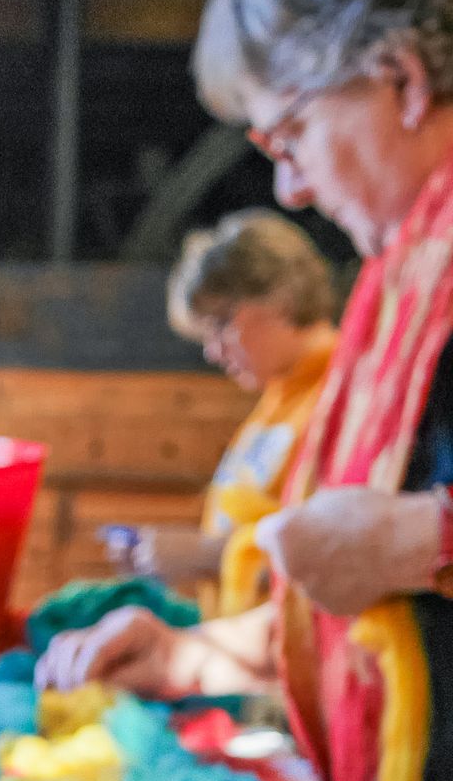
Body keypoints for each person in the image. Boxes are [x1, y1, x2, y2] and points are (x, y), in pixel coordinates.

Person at [38, 0, 453, 781]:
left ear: (402, 76)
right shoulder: (400, 288)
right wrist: (185, 655)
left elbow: (399, 562)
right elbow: (356, 621)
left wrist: (416, 537)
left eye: (294, 128)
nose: (288, 182)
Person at [120, 211, 337, 613]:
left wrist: (204, 554)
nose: (211, 351)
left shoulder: (342, 396)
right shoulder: (276, 401)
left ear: (283, 296)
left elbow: (338, 561)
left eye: (221, 324)